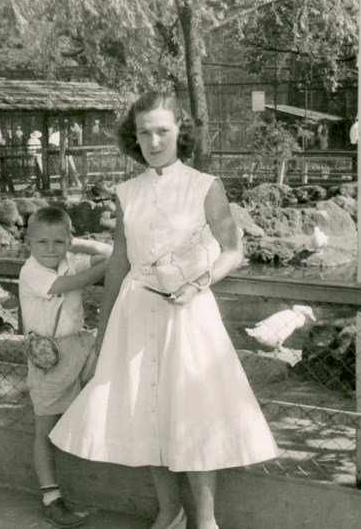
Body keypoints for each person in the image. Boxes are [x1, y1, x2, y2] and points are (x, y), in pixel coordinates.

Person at [49, 91, 277, 529]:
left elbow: (232, 250)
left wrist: (198, 285)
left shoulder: (205, 186)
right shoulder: (126, 192)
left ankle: (205, 521)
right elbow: (119, 262)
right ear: (134, 138)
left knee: (194, 411)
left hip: (188, 314)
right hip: (135, 314)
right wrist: (104, 328)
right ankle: (168, 512)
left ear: (180, 132)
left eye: (162, 131)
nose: (153, 141)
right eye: (144, 133)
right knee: (144, 409)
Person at [19, 206, 112, 528]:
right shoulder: (31, 271)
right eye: (42, 242)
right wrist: (113, 263)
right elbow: (79, 281)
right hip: (49, 357)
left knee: (109, 379)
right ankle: (51, 497)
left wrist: (78, 244)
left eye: (59, 242)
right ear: (28, 241)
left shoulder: (68, 259)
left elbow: (108, 253)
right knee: (45, 429)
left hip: (78, 346)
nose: (50, 249)